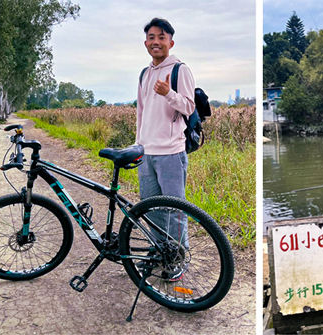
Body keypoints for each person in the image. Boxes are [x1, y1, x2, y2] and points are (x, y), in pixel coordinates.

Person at [136, 18, 195, 281]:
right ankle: (158, 252)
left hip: (171, 152)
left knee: (174, 209)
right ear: (145, 42)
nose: (155, 42)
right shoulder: (144, 74)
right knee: (150, 208)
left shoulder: (180, 70)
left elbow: (189, 106)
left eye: (161, 37)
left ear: (171, 42)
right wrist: (138, 145)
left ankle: (178, 258)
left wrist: (168, 93)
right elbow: (141, 112)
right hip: (146, 153)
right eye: (151, 37)